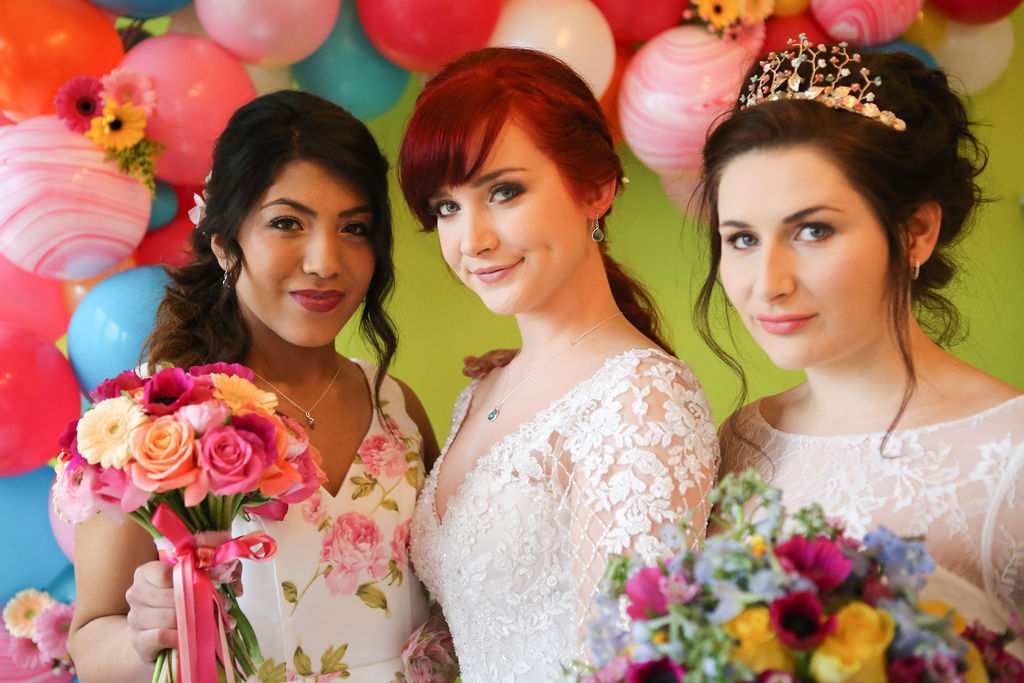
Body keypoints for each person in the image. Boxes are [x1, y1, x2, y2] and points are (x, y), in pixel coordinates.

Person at [68, 90, 441, 682]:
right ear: (224, 242)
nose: (325, 262)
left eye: (355, 228)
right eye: (286, 223)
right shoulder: (146, 423)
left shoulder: (397, 407)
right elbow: (91, 642)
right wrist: (142, 636)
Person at [398, 47, 719, 681]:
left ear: (596, 186)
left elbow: (630, 665)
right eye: (446, 207)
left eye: (504, 191)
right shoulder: (483, 389)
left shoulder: (641, 401)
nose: (472, 240)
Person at [695, 42, 1023, 631]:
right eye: (742, 239)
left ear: (916, 232)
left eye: (813, 230)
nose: (768, 283)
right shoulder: (743, 439)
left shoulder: (1011, 454)